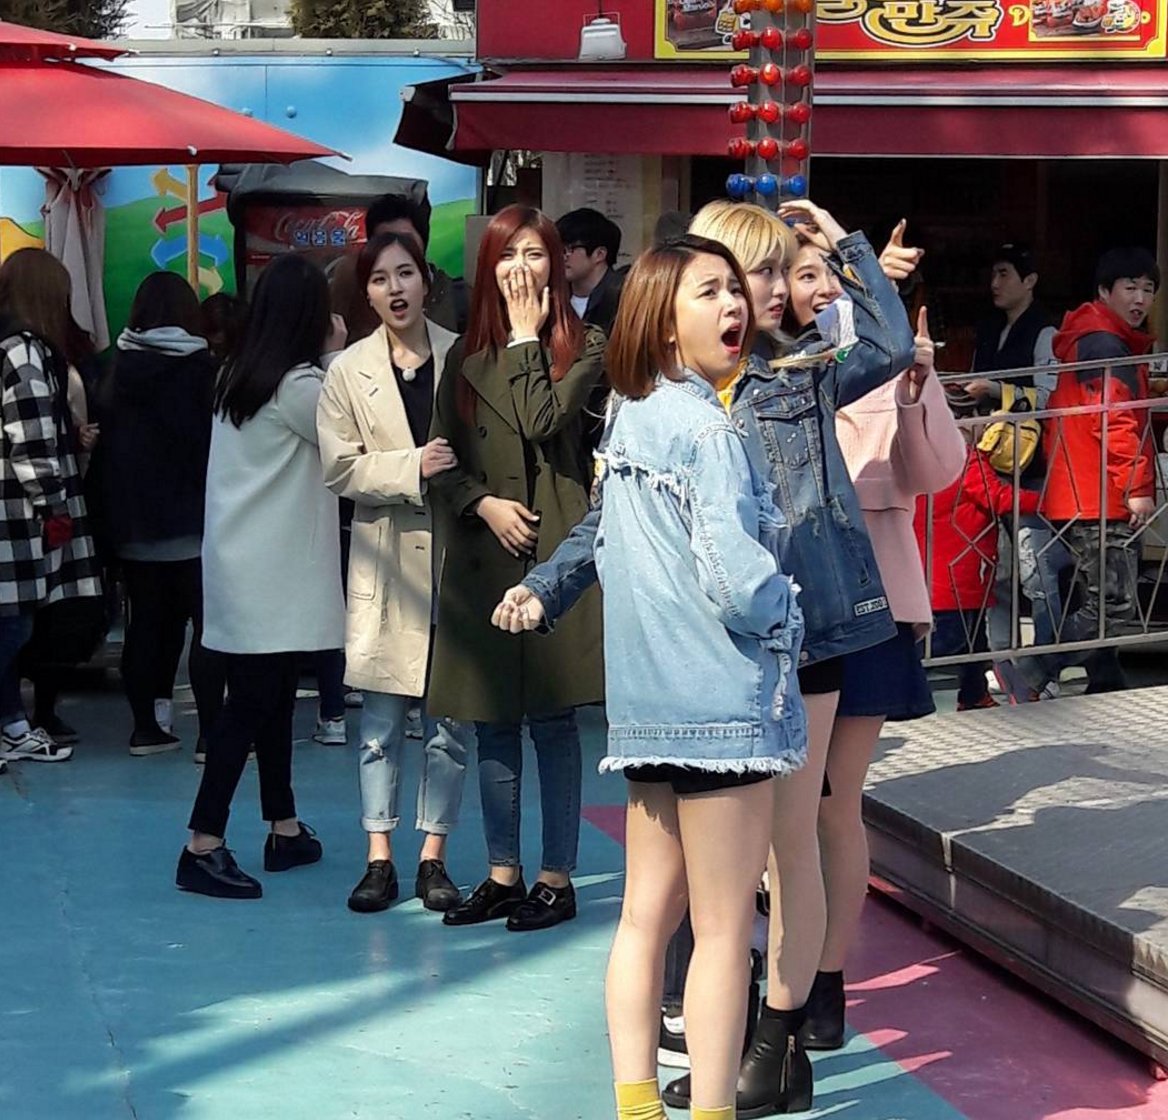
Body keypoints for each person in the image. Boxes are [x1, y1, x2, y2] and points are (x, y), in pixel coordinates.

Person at [494, 198, 916, 1114]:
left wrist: (844, 243)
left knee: (771, 858)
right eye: (728, 278)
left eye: (759, 275)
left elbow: (888, 344)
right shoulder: (692, 417)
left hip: (739, 670)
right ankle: (730, 1072)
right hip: (740, 669)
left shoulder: (781, 380)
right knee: (719, 916)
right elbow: (691, 557)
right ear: (670, 305)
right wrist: (552, 583)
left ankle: (778, 1036)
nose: (753, 295)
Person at [507, 233, 807, 1120]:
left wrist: (541, 589)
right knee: (722, 931)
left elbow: (605, 538)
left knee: (645, 918)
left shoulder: (629, 418)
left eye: (734, 290)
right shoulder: (708, 429)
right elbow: (735, 581)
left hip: (644, 709)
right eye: (710, 292)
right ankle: (710, 1111)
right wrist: (787, 607)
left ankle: (637, 1106)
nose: (735, 306)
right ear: (664, 322)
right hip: (719, 707)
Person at [428, 204, 606, 933]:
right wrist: (483, 504)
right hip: (485, 553)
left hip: (556, 551)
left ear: (557, 265)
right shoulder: (462, 356)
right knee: (492, 722)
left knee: (554, 722)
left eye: (534, 255)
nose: (520, 270)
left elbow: (540, 420)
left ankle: (555, 879)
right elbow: (441, 460)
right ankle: (502, 873)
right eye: (507, 255)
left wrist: (529, 337)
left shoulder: (587, 345)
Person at [176, 255, 347, 900]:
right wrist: (336, 353)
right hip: (276, 572)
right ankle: (203, 842)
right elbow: (349, 431)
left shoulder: (238, 376)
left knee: (268, 699)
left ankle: (284, 824)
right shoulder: (300, 385)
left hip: (241, 565)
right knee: (252, 704)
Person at [318, 231, 470, 914]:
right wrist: (412, 466)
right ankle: (378, 855)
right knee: (379, 724)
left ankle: (434, 855)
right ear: (368, 293)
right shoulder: (347, 370)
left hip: (455, 560)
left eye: (405, 274)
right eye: (380, 280)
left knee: (450, 723)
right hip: (386, 559)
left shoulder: (463, 357)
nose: (395, 289)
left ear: (426, 282)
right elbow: (339, 468)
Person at [96, 272, 219, 755]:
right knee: (207, 627)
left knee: (145, 624)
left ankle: (145, 727)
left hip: (133, 523)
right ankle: (210, 733)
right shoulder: (203, 370)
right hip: (194, 519)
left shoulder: (118, 369)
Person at [1037, 247, 1160, 694]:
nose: (1140, 298)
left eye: (1148, 289)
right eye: (1130, 287)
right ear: (1105, 291)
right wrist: (1136, 486)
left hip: (1082, 488)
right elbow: (1114, 419)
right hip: (1099, 493)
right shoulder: (1105, 344)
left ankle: (1105, 682)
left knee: (1097, 592)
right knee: (1113, 603)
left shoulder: (1092, 337)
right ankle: (1033, 669)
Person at [0, 265, 103, 766]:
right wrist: (54, 503)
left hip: (12, 511)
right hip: (16, 518)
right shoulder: (25, 353)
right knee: (14, 626)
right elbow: (31, 441)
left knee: (12, 624)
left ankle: (13, 724)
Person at [962, 244, 1061, 701]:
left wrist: (996, 389)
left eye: (1005, 274)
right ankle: (1000, 663)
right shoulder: (988, 329)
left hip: (1030, 463)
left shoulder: (1045, 331)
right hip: (990, 460)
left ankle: (1043, 666)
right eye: (993, 274)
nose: (995, 283)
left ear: (1030, 280)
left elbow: (1050, 396)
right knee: (997, 571)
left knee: (1037, 571)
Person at [915, 398, 1041, 710]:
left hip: (931, 564)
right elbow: (997, 497)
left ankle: (974, 694)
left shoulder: (922, 454)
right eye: (982, 416)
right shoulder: (965, 457)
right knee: (949, 641)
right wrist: (1045, 500)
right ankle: (898, 693)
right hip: (960, 568)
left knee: (974, 640)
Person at [331, 193, 468, 342]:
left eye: (406, 239)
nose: (397, 248)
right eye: (386, 240)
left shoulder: (458, 298)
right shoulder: (353, 290)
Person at [556, 207, 626, 335]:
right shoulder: (554, 297)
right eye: (557, 249)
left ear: (599, 254)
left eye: (568, 249)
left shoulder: (624, 299)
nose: (561, 256)